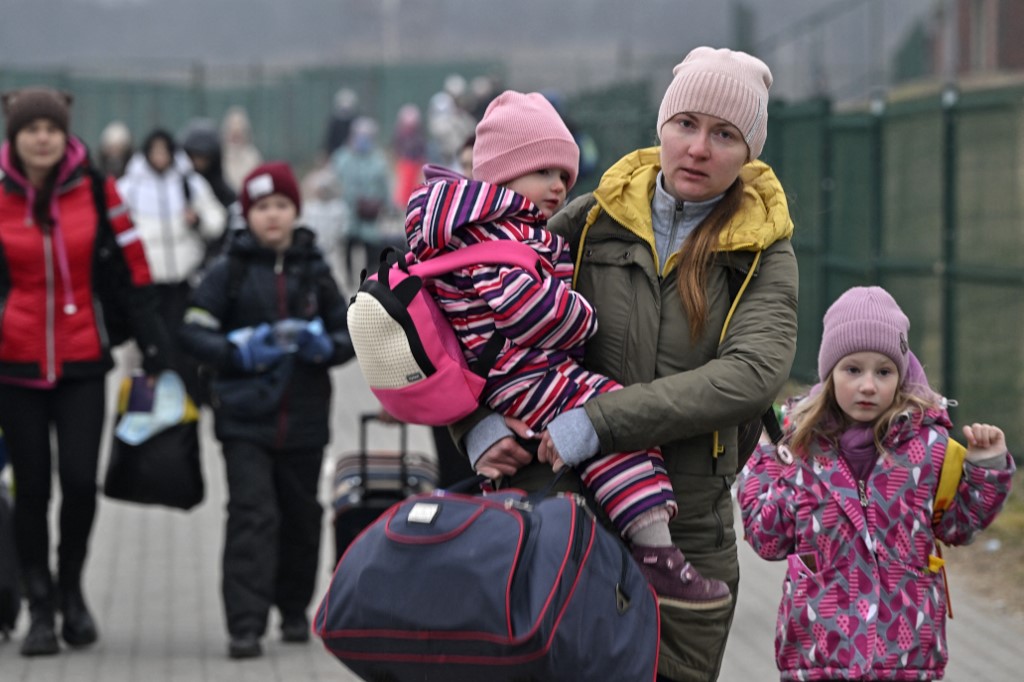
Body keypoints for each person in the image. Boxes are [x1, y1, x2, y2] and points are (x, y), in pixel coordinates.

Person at [457, 47, 797, 681]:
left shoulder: (762, 252)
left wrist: (599, 421)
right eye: (686, 124)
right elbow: (467, 319)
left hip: (685, 537)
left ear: (749, 152)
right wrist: (477, 429)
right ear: (661, 127)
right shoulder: (589, 221)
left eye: (725, 134)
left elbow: (751, 375)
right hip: (562, 513)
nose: (699, 148)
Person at [408, 89, 730, 610]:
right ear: (503, 175)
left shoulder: (472, 229)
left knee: (604, 427)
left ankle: (641, 544)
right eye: (543, 173)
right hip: (524, 375)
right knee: (612, 422)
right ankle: (655, 550)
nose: (559, 187)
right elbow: (525, 309)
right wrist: (583, 316)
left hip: (511, 376)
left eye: (564, 174)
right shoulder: (494, 235)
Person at [737, 286, 1015, 681]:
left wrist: (987, 468)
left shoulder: (930, 449)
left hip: (906, 659)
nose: (868, 385)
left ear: (900, 376)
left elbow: (959, 525)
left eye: (883, 372)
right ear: (830, 374)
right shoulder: (799, 448)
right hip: (819, 657)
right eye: (853, 370)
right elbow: (768, 537)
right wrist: (761, 459)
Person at [0, 86, 170, 657]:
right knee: (32, 489)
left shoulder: (99, 192)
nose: (42, 138)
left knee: (77, 482)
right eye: (31, 129)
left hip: (82, 359)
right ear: (15, 138)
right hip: (14, 363)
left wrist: (154, 344)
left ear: (65, 133)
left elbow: (134, 267)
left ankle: (72, 589)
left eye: (50, 127)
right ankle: (40, 605)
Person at [178, 161, 354, 660]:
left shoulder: (315, 268)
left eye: (281, 205)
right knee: (252, 516)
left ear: (295, 211)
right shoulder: (227, 268)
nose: (272, 217)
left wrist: (325, 344)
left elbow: (351, 334)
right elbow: (192, 328)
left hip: (304, 419)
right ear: (246, 214)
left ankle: (294, 609)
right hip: (243, 419)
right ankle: (245, 625)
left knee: (301, 517)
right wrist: (236, 351)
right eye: (261, 207)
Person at [116, 128, 227, 402]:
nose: (160, 157)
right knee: (146, 352)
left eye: (165, 151)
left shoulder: (190, 183)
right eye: (155, 151)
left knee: (183, 350)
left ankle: (185, 408)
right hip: (145, 283)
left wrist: (198, 220)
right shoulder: (129, 186)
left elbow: (217, 220)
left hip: (183, 282)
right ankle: (142, 411)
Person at [330, 116, 392, 282]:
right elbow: (333, 181)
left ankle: (369, 278)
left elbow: (385, 186)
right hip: (348, 212)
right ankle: (349, 278)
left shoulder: (378, 161)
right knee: (349, 245)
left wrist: (387, 206)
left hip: (369, 212)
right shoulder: (342, 158)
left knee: (371, 247)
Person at [220, 106, 262, 192]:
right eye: (233, 131)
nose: (236, 133)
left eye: (239, 132)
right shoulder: (220, 155)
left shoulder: (252, 155)